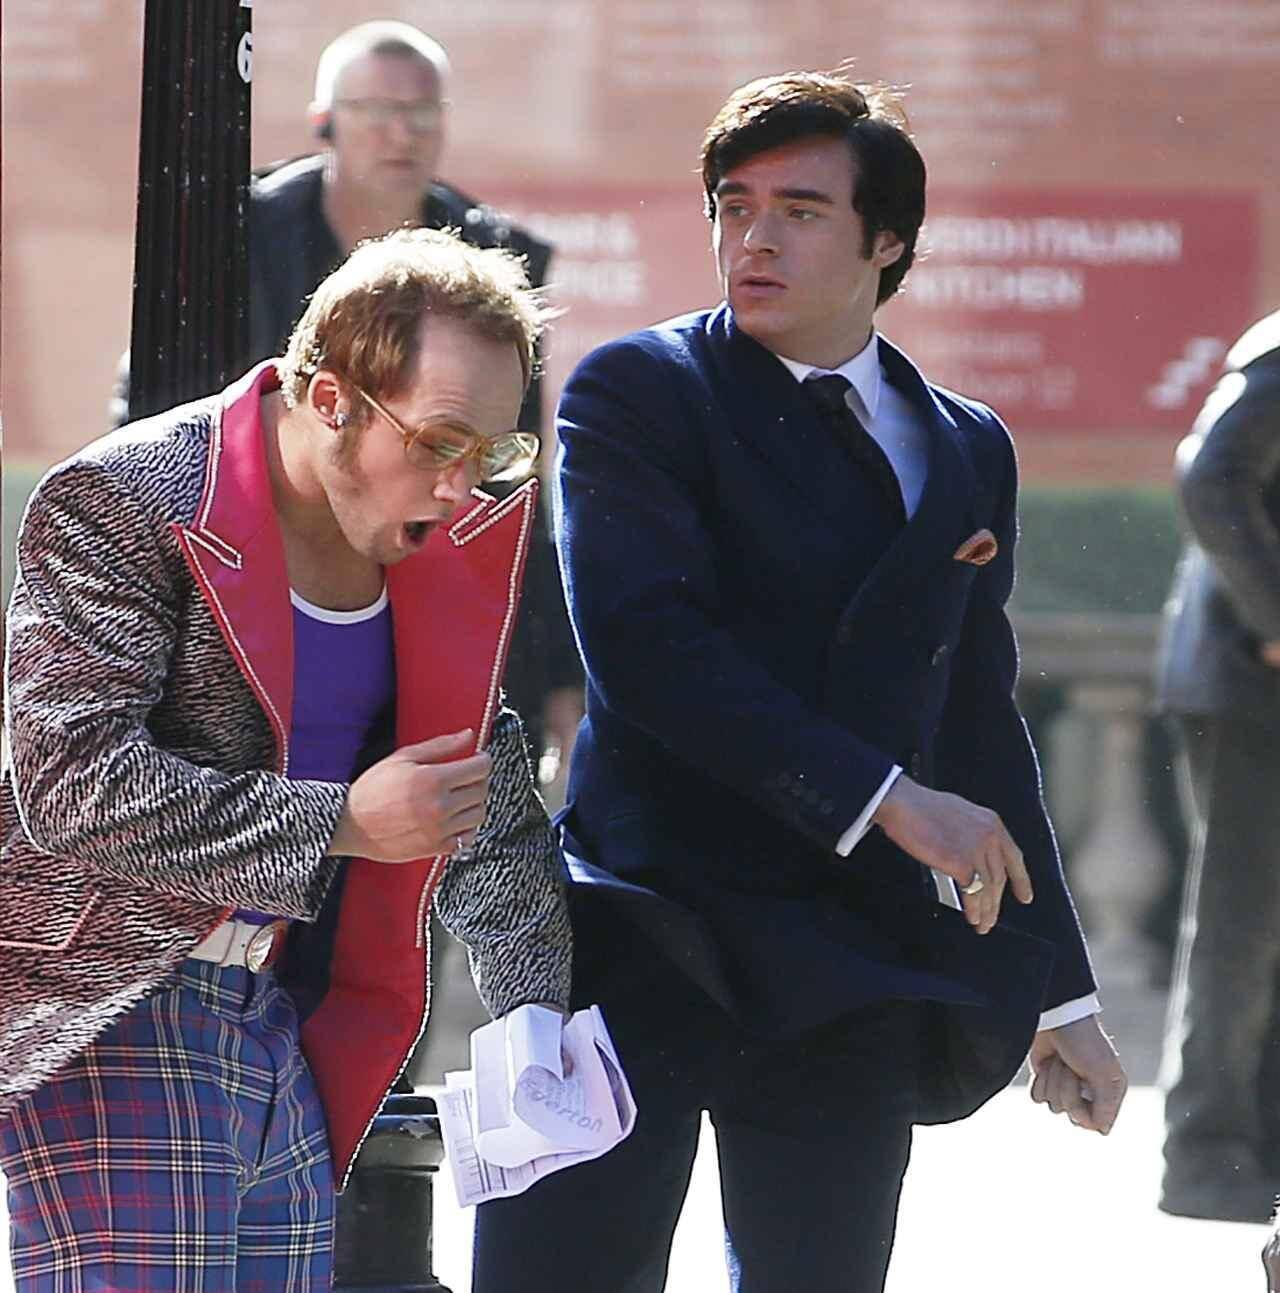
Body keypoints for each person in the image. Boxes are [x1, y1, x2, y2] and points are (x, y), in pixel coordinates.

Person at [472, 71, 1127, 1293]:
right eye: (733, 205)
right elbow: (644, 649)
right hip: (639, 927)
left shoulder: (964, 444)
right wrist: (886, 799)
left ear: (887, 244)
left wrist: (1058, 995)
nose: (753, 238)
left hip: (849, 960)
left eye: (800, 210)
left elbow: (974, 719)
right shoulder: (636, 389)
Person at [0, 228, 570, 1292]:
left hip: (282, 1018)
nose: (460, 488)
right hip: (117, 1001)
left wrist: (534, 1027)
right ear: (333, 399)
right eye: (440, 442)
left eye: (492, 453)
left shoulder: (421, 543)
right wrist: (342, 822)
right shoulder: (131, 497)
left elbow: (477, 808)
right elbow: (69, 783)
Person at [250, 19, 583, 770]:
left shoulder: (495, 258)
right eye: (377, 111)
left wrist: (556, 673)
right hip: (263, 561)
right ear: (325, 120)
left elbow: (506, 477)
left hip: (424, 576)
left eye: (423, 113)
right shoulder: (242, 236)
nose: (402, 134)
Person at [1155, 307, 1280, 1223]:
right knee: (1244, 922)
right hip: (1247, 683)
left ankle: (1256, 1149)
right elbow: (1211, 477)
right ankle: (1206, 1158)